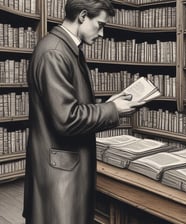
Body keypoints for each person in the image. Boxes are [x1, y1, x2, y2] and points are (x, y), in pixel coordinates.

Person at [23, 0, 143, 223]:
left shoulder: (65, 48)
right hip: (60, 172)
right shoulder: (55, 53)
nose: (102, 33)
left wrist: (109, 104)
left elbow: (70, 106)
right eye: (99, 25)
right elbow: (67, 119)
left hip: (63, 166)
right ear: (82, 16)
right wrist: (112, 109)